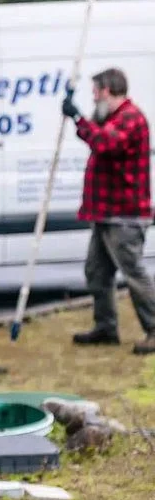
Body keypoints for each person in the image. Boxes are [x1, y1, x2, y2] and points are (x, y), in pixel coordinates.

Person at [62, 67, 155, 354]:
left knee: (133, 273)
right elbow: (97, 134)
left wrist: (78, 117)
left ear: (107, 90)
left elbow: (105, 143)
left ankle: (154, 328)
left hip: (124, 215)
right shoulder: (113, 118)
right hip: (105, 212)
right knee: (97, 272)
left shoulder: (131, 118)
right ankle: (105, 327)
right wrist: (78, 119)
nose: (93, 98)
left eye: (95, 92)